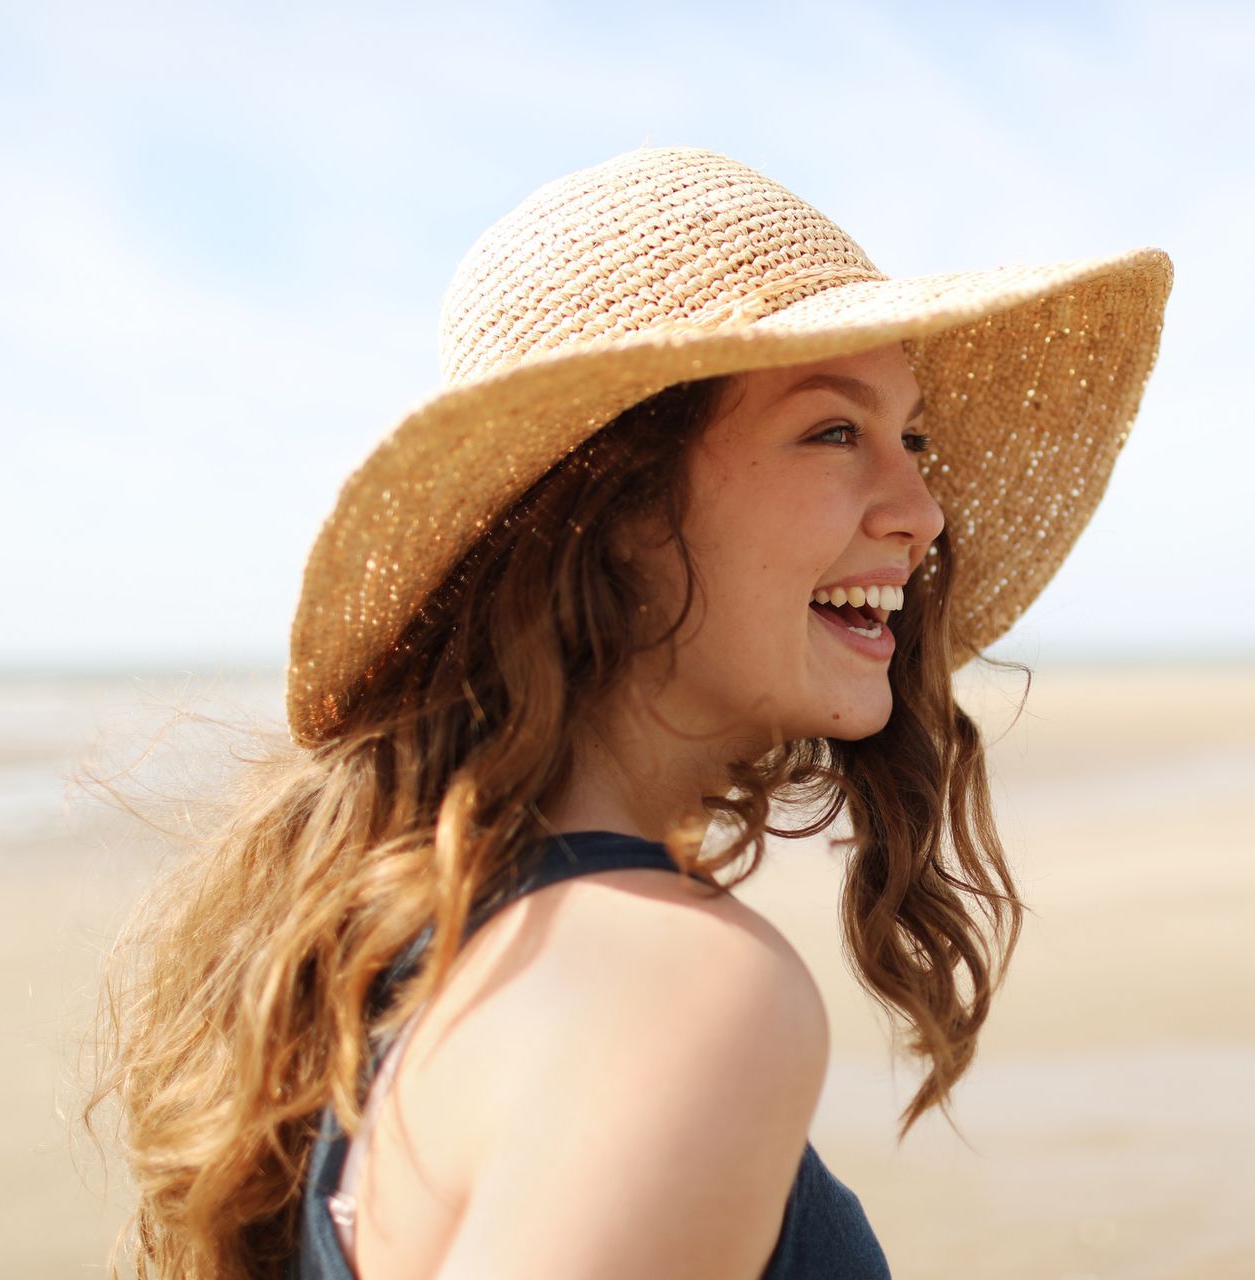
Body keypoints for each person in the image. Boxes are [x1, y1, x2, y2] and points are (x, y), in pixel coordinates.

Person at [86, 146, 1171, 1279]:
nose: (923, 512)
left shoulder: (415, 949)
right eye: (833, 431)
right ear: (614, 508)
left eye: (916, 439)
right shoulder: (672, 984)